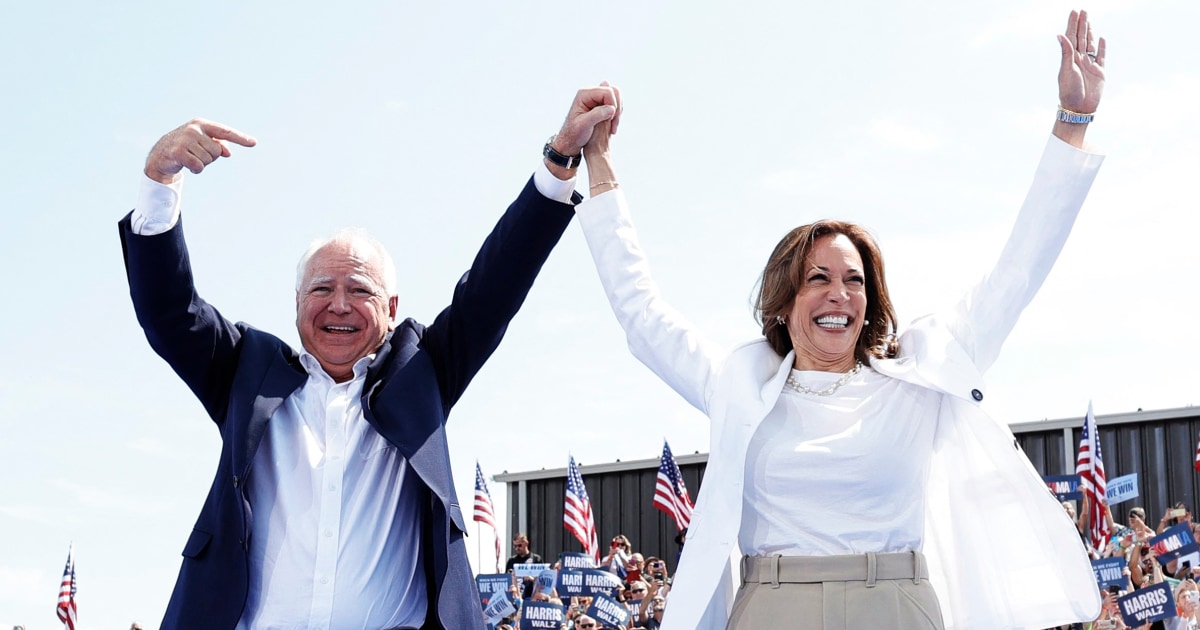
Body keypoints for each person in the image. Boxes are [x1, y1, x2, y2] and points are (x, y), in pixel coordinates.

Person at [569, 10, 1105, 630]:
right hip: (772, 607)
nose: (838, 295)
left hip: (896, 605)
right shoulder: (737, 383)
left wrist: (1074, 121)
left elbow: (1018, 271)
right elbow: (643, 314)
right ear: (784, 299)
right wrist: (599, 164)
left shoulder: (916, 379)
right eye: (817, 279)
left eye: (854, 281)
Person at [119, 85, 621, 630]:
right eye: (321, 289)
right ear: (296, 305)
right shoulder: (244, 370)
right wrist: (159, 181)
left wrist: (559, 160)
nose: (339, 304)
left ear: (391, 308)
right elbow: (170, 313)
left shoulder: (423, 371)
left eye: (359, 289)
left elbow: (494, 287)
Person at [506, 533, 544, 598]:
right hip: (516, 596)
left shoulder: (536, 559)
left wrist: (532, 578)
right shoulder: (511, 561)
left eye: (519, 545)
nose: (517, 548)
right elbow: (506, 578)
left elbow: (543, 579)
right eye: (515, 546)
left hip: (532, 596)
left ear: (526, 543)